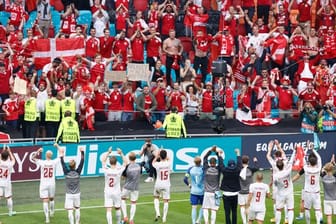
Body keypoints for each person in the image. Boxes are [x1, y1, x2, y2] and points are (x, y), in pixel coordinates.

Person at [293, 143, 323, 224]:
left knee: (307, 210)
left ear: (309, 161)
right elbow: (319, 158)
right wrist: (312, 149)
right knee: (317, 210)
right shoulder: (318, 168)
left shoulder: (305, 168)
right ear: (316, 161)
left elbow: (298, 175)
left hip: (307, 192)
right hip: (316, 192)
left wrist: (291, 181)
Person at [32, 145, 62, 223]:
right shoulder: (54, 162)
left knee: (45, 200)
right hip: (52, 183)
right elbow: (62, 154)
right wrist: (57, 146)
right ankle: (52, 211)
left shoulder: (42, 162)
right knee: (51, 198)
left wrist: (38, 151)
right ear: (51, 156)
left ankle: (47, 218)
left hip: (44, 184)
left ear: (45, 155)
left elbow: (33, 158)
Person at [60, 145, 85, 224]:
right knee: (77, 208)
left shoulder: (66, 173)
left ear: (69, 166)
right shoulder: (78, 173)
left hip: (69, 194)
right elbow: (82, 161)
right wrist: (82, 152)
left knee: (70, 211)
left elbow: (62, 163)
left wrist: (62, 155)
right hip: (77, 194)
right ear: (75, 165)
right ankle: (77, 223)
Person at [101, 147, 126, 224]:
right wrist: (121, 153)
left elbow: (103, 161)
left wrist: (108, 152)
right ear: (116, 162)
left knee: (108, 209)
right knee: (118, 208)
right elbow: (125, 162)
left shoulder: (106, 169)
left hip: (108, 191)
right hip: (116, 192)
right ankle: (118, 222)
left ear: (110, 162)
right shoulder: (118, 170)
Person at [272, 147, 297, 224]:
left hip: (281, 194)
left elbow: (275, 184)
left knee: (278, 210)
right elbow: (291, 161)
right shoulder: (288, 171)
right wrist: (294, 151)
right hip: (289, 192)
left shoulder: (276, 176)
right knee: (290, 209)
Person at [220, 149, 242, 224]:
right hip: (235, 194)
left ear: (228, 165)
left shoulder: (225, 170)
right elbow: (240, 163)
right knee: (234, 211)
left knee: (227, 212)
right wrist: (238, 153)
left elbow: (221, 164)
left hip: (226, 194)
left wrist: (219, 155)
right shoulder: (238, 170)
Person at [202, 146, 223, 224]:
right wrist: (217, 153)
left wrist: (211, 151)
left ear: (210, 163)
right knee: (214, 209)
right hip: (215, 192)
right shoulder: (218, 169)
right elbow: (221, 163)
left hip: (207, 192)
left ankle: (206, 221)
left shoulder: (206, 169)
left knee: (205, 208)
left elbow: (204, 158)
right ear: (215, 163)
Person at [121, 151, 141, 224]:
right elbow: (139, 175)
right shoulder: (139, 166)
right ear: (135, 158)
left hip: (127, 186)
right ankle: (131, 220)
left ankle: (125, 217)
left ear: (129, 158)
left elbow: (123, 178)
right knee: (133, 203)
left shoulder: (127, 166)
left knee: (122, 199)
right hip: (136, 187)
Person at [183, 156, 204, 224]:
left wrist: (189, 185)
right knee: (203, 206)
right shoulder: (204, 169)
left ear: (194, 162)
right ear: (200, 162)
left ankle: (193, 222)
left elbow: (185, 179)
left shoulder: (190, 169)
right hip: (202, 191)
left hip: (194, 191)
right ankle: (198, 220)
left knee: (194, 207)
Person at [239, 155, 259, 224]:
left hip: (241, 191)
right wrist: (255, 161)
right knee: (249, 206)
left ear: (242, 161)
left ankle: (244, 222)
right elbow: (257, 168)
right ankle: (248, 221)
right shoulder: (251, 169)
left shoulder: (239, 169)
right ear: (248, 161)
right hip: (249, 192)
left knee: (242, 206)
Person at [153, 149, 171, 223]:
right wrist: (163, 155)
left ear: (160, 156)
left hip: (158, 184)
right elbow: (169, 158)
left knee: (156, 197)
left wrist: (157, 155)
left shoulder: (157, 164)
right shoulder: (168, 163)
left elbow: (153, 162)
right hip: (166, 184)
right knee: (166, 201)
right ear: (166, 156)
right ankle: (164, 217)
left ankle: (157, 212)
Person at [0, 145, 16, 217]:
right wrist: (9, 151)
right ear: (7, 157)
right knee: (9, 197)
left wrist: (3, 150)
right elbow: (13, 160)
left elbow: (1, 156)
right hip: (7, 183)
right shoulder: (9, 164)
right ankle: (10, 212)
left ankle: (10, 212)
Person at [321, 155, 336, 224]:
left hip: (327, 200)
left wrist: (328, 165)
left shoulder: (323, 177)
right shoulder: (334, 178)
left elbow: (322, 169)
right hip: (335, 199)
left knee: (329, 217)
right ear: (332, 169)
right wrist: (333, 163)